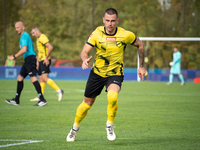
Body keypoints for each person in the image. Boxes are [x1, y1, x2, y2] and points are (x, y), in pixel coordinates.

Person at [66, 8, 146, 142]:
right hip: (97, 73)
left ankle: (109, 125)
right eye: (107, 20)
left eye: (113, 21)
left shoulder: (125, 34)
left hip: (115, 74)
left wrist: (141, 65)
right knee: (86, 104)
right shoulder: (96, 33)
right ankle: (74, 128)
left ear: (117, 21)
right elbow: (84, 51)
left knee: (113, 96)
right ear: (103, 20)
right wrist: (84, 59)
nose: (110, 23)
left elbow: (140, 45)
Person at [5, 21, 47, 106]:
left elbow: (24, 50)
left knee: (33, 79)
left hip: (30, 59)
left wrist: (14, 56)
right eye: (15, 28)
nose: (16, 29)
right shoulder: (23, 36)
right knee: (20, 78)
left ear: (23, 27)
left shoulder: (24, 36)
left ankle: (42, 99)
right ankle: (16, 100)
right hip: (28, 60)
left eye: (18, 27)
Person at [30, 27, 63, 102]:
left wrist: (46, 58)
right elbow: (40, 51)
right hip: (41, 61)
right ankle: (40, 96)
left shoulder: (42, 37)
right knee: (41, 79)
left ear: (37, 31)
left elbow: (50, 47)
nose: (33, 35)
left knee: (44, 78)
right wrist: (37, 61)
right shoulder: (38, 39)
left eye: (33, 33)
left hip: (45, 60)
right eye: (32, 33)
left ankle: (59, 91)